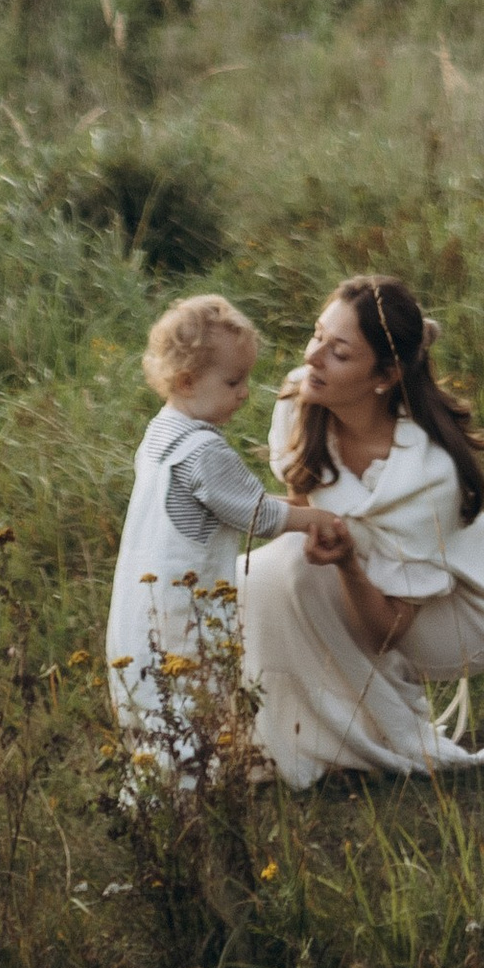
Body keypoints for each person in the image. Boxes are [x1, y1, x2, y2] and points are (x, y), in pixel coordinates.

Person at [237, 271, 484, 786]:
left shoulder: (426, 473)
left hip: (454, 617)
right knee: (261, 575)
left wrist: (348, 563)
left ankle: (375, 736)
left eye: (340, 352)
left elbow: (386, 629)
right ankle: (312, 737)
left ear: (386, 375)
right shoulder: (299, 400)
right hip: (373, 577)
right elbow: (304, 515)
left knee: (292, 578)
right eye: (316, 335)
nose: (312, 357)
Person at [106, 292, 349, 781]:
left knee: (156, 709)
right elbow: (257, 515)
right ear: (186, 381)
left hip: (140, 601)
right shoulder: (205, 452)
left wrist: (298, 509)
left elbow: (231, 504)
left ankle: (158, 792)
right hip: (183, 610)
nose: (244, 393)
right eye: (233, 381)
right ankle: (190, 796)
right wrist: (314, 519)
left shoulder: (161, 434)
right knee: (192, 698)